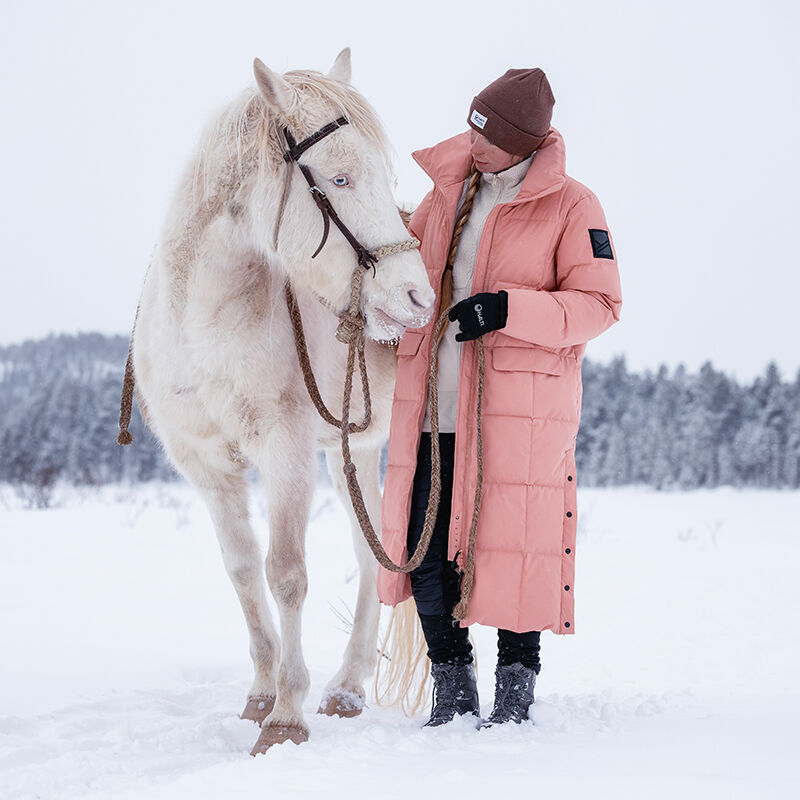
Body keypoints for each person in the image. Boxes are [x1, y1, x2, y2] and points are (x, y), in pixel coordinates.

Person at [377, 68, 623, 728]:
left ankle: (515, 698)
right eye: (472, 125)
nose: (472, 141)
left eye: (487, 134)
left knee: (516, 550)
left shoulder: (575, 207)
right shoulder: (445, 193)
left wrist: (508, 308)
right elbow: (401, 265)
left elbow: (600, 304)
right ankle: (453, 692)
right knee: (424, 548)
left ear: (522, 143)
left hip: (519, 418)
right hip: (431, 410)